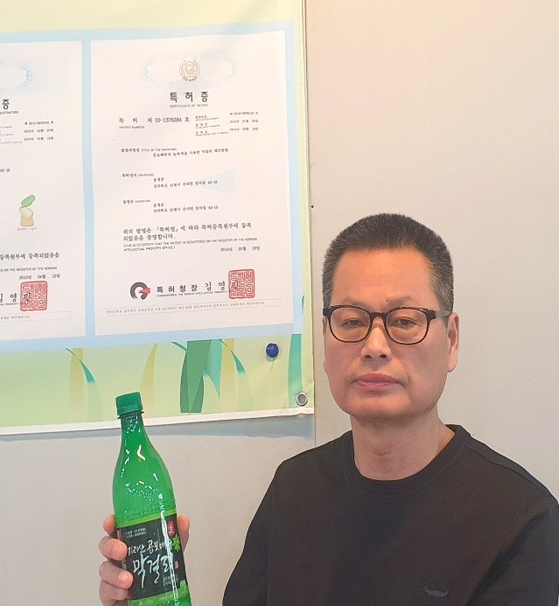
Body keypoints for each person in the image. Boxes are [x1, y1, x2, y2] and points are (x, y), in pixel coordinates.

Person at [99, 213, 559, 605]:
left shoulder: (521, 520)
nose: (375, 346)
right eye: (352, 321)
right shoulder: (293, 489)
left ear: (451, 339)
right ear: (326, 336)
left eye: (404, 321)